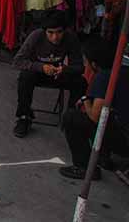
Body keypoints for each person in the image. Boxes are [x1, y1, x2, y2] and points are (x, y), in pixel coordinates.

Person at [59, 36, 129, 180]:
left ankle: (83, 167)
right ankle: (104, 157)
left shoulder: (104, 77)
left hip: (125, 139)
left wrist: (85, 101)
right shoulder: (123, 70)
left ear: (94, 64)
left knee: (72, 118)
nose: (84, 63)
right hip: (122, 129)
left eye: (85, 60)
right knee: (111, 114)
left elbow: (95, 117)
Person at [12, 10, 87, 138]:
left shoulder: (71, 38)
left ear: (64, 30)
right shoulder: (36, 36)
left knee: (81, 82)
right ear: (44, 31)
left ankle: (71, 118)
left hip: (59, 73)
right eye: (50, 33)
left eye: (59, 32)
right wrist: (41, 67)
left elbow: (79, 67)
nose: (55, 37)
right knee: (25, 77)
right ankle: (24, 117)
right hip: (38, 73)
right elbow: (17, 61)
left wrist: (64, 69)